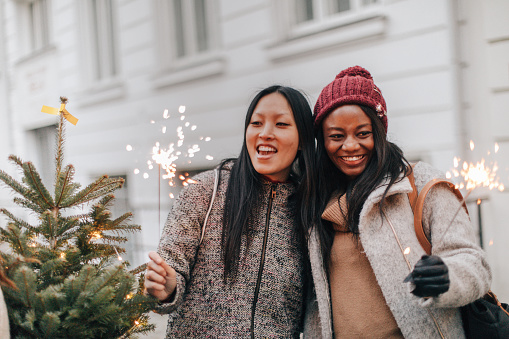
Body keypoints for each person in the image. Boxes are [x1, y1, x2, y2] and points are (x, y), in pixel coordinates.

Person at [304, 66, 492, 338]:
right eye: (336, 136)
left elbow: (476, 265)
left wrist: (447, 275)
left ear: (379, 132)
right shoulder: (315, 202)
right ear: (323, 140)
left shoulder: (420, 184)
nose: (350, 146)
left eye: (363, 133)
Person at [144, 85, 316, 338]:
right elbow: (172, 267)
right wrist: (166, 286)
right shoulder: (205, 191)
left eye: (281, 124)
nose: (265, 133)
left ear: (302, 139)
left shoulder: (310, 209)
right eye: (256, 123)